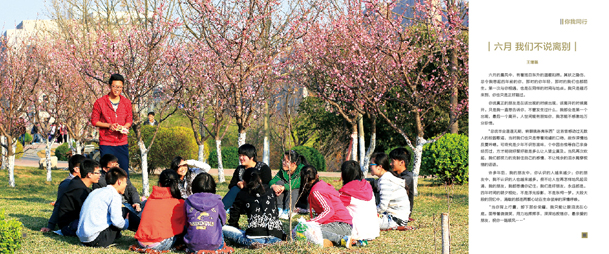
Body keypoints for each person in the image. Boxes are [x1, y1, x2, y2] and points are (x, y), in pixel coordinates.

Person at [77, 167, 140, 247]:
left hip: (83, 238)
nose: (126, 185)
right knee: (124, 211)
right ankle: (146, 232)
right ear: (119, 182)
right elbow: (117, 222)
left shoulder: (96, 191)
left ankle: (140, 232)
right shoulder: (114, 195)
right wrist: (126, 223)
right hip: (97, 240)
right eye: (125, 182)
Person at [223, 168, 284, 249]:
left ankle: (253, 244)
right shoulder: (270, 191)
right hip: (277, 237)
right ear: (260, 179)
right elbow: (275, 212)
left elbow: (234, 215)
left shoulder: (242, 194)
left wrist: (234, 226)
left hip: (254, 239)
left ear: (244, 181)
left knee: (222, 228)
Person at [300, 165, 356, 248]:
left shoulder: (316, 191)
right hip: (345, 225)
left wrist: (312, 222)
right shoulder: (322, 185)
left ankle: (341, 239)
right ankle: (329, 241)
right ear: (317, 175)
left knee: (308, 230)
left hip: (341, 225)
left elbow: (329, 210)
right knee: (308, 230)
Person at [90, 73, 133, 177]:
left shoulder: (126, 102)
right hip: (106, 143)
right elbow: (94, 121)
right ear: (109, 86)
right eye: (114, 86)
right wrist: (108, 125)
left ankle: (124, 192)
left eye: (120, 87)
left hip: (122, 142)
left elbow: (129, 119)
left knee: (123, 172)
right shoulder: (100, 102)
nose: (117, 89)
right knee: (107, 173)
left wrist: (124, 127)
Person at [134, 170, 187, 251]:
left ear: (160, 183)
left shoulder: (151, 199)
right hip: (158, 244)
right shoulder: (179, 203)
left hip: (141, 242)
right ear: (176, 184)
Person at [184, 173, 234, 253]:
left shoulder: (188, 201)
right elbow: (223, 220)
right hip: (215, 245)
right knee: (219, 222)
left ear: (194, 186)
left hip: (192, 246)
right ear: (213, 186)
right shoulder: (217, 201)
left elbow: (185, 222)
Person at [40, 155, 86, 233]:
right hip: (70, 222)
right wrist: (50, 226)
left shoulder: (81, 182)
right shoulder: (67, 184)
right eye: (86, 167)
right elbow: (59, 204)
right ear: (76, 169)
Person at [56, 159, 102, 236]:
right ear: (89, 174)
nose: (100, 175)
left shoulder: (78, 183)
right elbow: (88, 212)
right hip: (69, 226)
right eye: (97, 172)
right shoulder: (79, 190)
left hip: (72, 222)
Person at [369, 152, 413, 231]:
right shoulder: (387, 177)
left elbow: (382, 207)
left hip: (395, 220)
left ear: (379, 167)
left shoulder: (385, 181)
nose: (370, 167)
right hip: (397, 218)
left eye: (371, 165)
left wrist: (369, 211)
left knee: (362, 219)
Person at [338, 160, 379, 242]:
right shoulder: (368, 186)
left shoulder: (347, 192)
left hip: (357, 233)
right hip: (373, 231)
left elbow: (334, 207)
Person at [223, 144, 272, 210]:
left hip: (257, 197)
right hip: (242, 197)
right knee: (235, 188)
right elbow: (231, 185)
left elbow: (266, 186)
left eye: (243, 155)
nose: (241, 158)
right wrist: (238, 184)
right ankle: (222, 208)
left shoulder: (263, 168)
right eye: (240, 155)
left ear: (251, 157)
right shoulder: (239, 169)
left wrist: (247, 186)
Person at [269, 150, 308, 219]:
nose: (283, 163)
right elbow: (274, 180)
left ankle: (288, 210)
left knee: (293, 188)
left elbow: (297, 183)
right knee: (278, 183)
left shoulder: (302, 169)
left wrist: (284, 187)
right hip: (286, 197)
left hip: (300, 200)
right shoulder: (283, 170)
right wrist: (274, 186)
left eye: (286, 161)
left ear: (294, 163)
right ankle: (279, 209)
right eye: (283, 160)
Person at [389, 148, 415, 221]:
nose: (390, 164)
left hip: (401, 213)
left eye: (392, 161)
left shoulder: (408, 177)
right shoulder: (394, 175)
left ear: (401, 162)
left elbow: (392, 184)